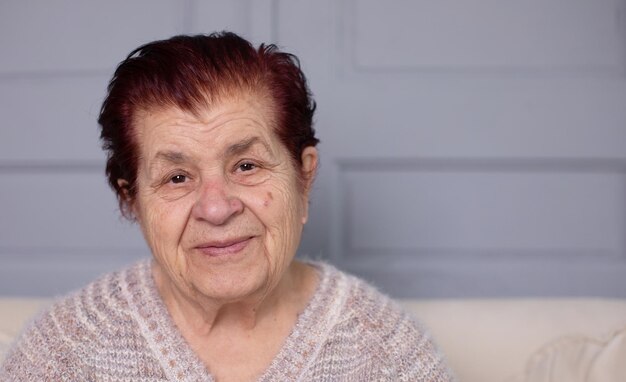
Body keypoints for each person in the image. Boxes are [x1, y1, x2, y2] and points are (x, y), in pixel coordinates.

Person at [0, 32, 454, 381]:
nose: (216, 209)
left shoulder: (387, 354)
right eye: (177, 178)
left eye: (247, 165)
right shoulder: (64, 352)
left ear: (304, 177)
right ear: (131, 199)